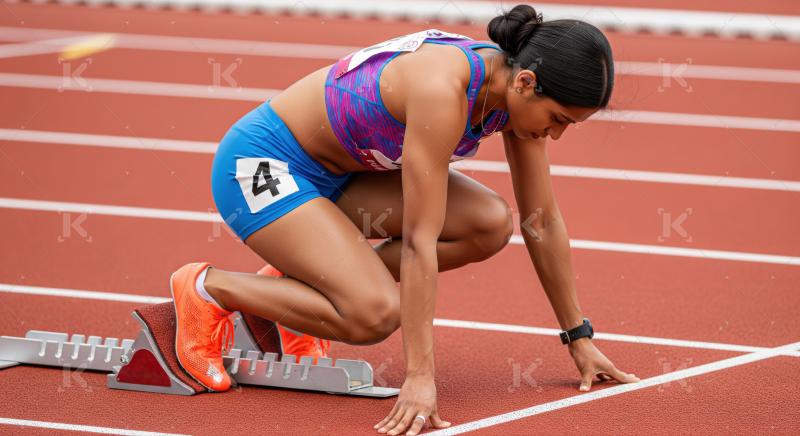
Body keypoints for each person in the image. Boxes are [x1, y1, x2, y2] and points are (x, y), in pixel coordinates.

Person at [169, 4, 639, 435]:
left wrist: (579, 338)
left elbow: (542, 220)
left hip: (343, 176)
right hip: (263, 166)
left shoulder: (514, 96)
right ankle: (208, 289)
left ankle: (310, 284)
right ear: (526, 82)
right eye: (558, 119)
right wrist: (419, 377)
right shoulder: (442, 90)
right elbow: (419, 240)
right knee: (373, 315)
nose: (554, 135)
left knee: (490, 223)